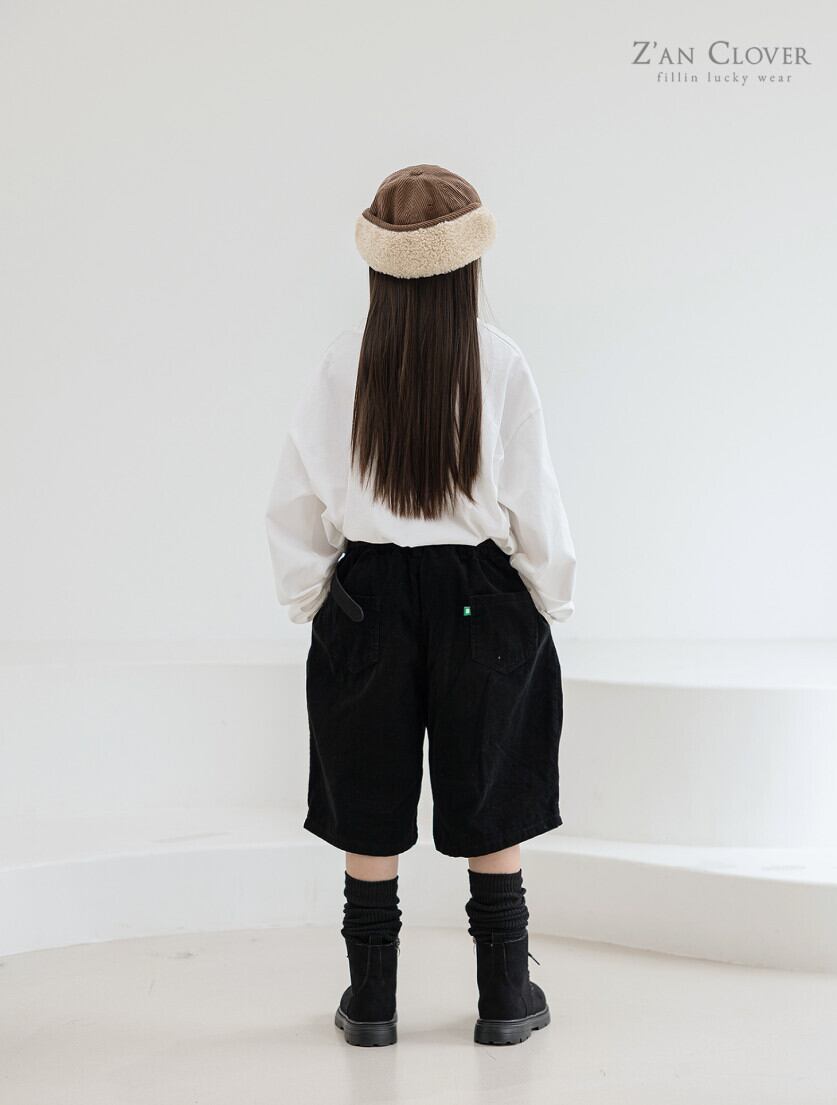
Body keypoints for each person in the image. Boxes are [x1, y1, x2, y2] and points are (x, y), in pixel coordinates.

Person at [264, 163, 576, 1047]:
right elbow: (534, 499)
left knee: (369, 791)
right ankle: (505, 996)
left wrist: (314, 596)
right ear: (467, 263)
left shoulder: (346, 360)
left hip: (371, 595)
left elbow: (297, 496)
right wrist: (548, 593)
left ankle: (371, 1002)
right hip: (480, 594)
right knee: (495, 785)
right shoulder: (499, 359)